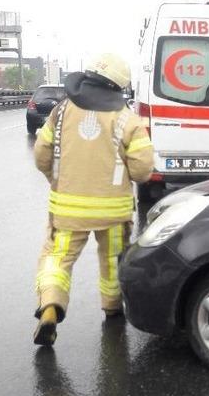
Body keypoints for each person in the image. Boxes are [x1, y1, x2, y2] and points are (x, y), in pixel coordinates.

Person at [32, 53, 154, 346]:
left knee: (57, 259)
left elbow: (41, 155)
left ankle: (50, 307)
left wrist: (57, 180)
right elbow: (142, 170)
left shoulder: (60, 112)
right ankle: (112, 309)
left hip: (67, 209)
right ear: (118, 87)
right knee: (112, 260)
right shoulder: (127, 118)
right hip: (113, 210)